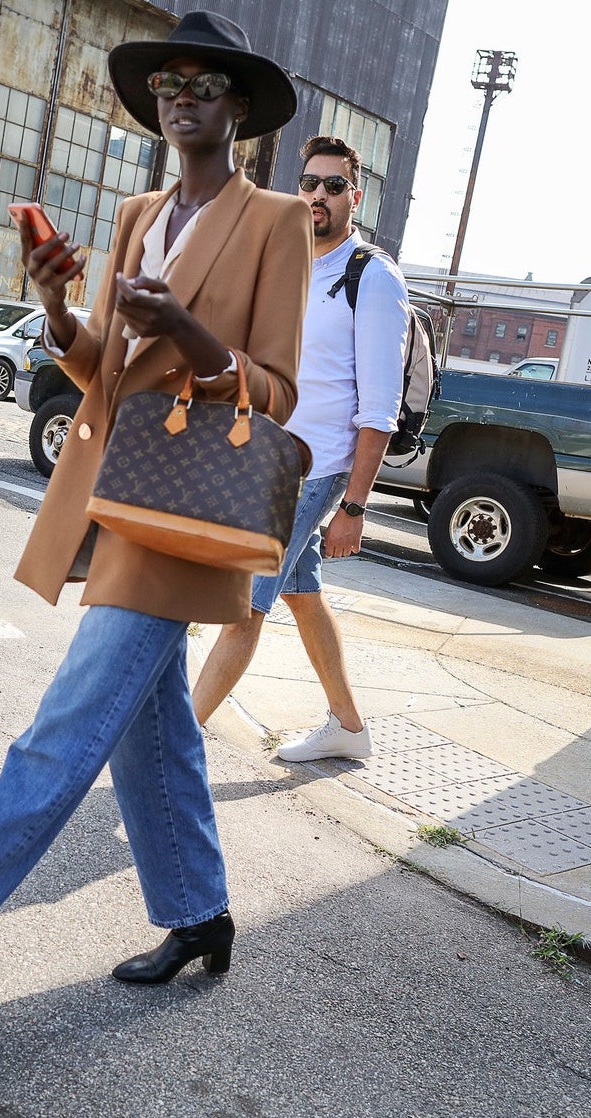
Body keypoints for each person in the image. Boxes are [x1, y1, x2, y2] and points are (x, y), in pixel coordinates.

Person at [0, 11, 312, 1038]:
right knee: (152, 730)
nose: (181, 94)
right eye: (167, 81)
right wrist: (57, 317)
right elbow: (105, 372)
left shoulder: (272, 220)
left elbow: (271, 391)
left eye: (203, 83)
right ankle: (199, 917)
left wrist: (185, 330)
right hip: (117, 494)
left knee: (57, 741)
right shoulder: (138, 215)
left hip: (185, 518)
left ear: (236, 110)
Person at [192, 135, 410, 762]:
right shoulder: (290, 264)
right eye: (309, 183)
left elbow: (379, 410)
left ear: (355, 195)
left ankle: (169, 743)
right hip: (259, 459)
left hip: (311, 471)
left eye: (333, 186)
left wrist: (355, 507)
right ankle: (347, 726)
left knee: (240, 610)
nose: (318, 195)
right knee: (300, 593)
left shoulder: (371, 278)